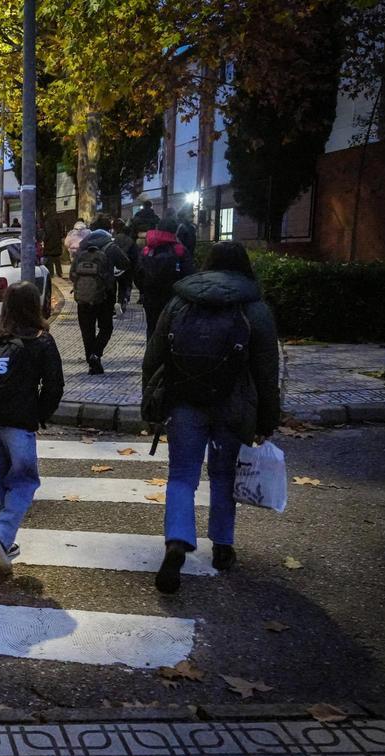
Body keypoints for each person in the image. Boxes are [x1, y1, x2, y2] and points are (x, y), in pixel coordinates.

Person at [142, 241, 280, 594]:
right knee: (223, 476)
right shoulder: (254, 307)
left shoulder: (181, 301)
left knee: (181, 475)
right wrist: (267, 418)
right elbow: (266, 372)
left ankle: (177, 541)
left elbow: (153, 356)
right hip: (234, 405)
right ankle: (222, 546)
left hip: (184, 402)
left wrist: (151, 403)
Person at [0, 281, 63, 574]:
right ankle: (1, 536)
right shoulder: (40, 340)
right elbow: (54, 386)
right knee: (24, 482)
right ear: (36, 305)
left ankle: (0, 543)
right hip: (18, 425)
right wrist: (39, 415)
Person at [70, 217, 130, 375]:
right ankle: (96, 354)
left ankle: (91, 362)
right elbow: (126, 263)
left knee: (87, 330)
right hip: (106, 295)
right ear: (109, 229)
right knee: (106, 328)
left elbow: (72, 274)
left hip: (83, 296)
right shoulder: (111, 246)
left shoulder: (82, 247)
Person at [136, 216, 196, 339]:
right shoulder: (180, 250)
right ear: (175, 231)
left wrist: (144, 290)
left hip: (151, 298)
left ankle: (151, 350)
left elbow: (138, 274)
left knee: (152, 328)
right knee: (172, 330)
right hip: (173, 299)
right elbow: (189, 275)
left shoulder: (147, 250)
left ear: (158, 228)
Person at [111, 219, 138, 314]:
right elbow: (135, 256)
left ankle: (112, 304)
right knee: (123, 285)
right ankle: (121, 302)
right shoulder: (131, 241)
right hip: (126, 267)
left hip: (114, 266)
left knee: (113, 285)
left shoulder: (114, 239)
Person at [41, 212, 66, 278]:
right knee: (57, 259)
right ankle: (59, 273)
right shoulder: (58, 222)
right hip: (57, 243)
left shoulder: (47, 222)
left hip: (50, 244)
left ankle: (51, 273)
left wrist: (44, 240)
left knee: (50, 259)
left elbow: (47, 234)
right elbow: (62, 232)